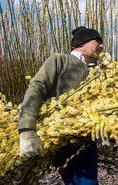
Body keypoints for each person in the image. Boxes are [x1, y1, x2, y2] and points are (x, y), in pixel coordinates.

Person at [18, 26, 104, 185]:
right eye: (97, 41)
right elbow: (36, 89)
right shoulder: (59, 61)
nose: (101, 46)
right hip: (63, 146)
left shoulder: (100, 74)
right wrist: (27, 129)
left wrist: (108, 132)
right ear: (82, 43)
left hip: (88, 147)